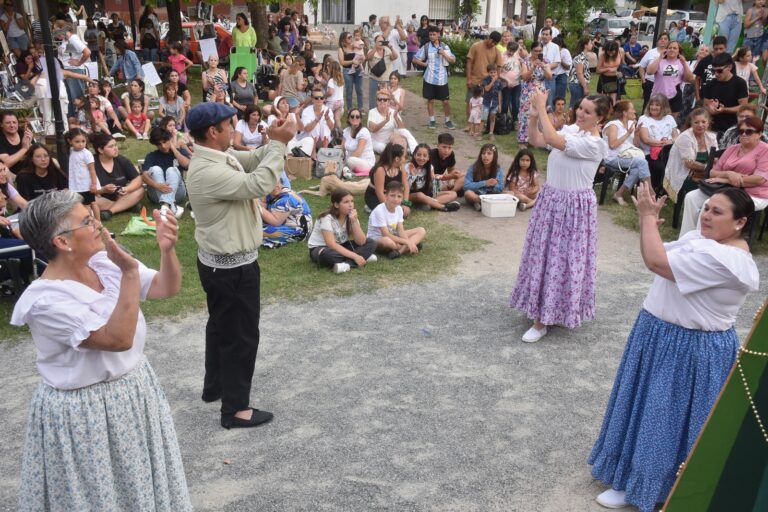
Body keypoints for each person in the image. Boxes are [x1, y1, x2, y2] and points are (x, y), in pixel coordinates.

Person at [11, 189, 191, 512]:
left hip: (134, 392)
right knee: (99, 497)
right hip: (85, 414)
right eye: (86, 221)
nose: (96, 223)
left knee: (141, 489)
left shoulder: (103, 263)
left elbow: (168, 286)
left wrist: (167, 250)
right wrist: (130, 273)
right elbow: (117, 338)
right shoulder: (45, 302)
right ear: (62, 242)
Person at [589, 184, 759, 511]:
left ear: (740, 222)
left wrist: (647, 218)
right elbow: (660, 253)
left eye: (717, 212)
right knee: (643, 406)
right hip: (660, 334)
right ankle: (628, 474)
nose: (706, 214)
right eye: (707, 207)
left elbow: (655, 261)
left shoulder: (727, 261)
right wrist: (650, 223)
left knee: (663, 418)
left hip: (689, 346)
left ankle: (649, 489)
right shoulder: (703, 240)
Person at [186, 102, 297, 429]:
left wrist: (276, 141)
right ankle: (235, 410)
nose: (235, 128)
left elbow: (253, 160)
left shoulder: (219, 156)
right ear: (212, 131)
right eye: (229, 124)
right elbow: (257, 185)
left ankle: (217, 387)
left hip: (224, 266)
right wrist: (277, 144)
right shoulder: (208, 170)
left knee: (221, 328)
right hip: (231, 270)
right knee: (240, 336)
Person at [510, 91, 610, 343]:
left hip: (574, 208)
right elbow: (537, 140)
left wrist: (542, 107)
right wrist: (534, 117)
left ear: (600, 118)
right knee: (542, 255)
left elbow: (553, 139)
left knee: (561, 259)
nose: (581, 113)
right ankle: (540, 309)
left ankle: (544, 319)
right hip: (552, 199)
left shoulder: (596, 144)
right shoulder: (573, 130)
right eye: (581, 108)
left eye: (588, 111)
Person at [680, 116, 768, 235]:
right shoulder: (732, 149)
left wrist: (726, 180)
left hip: (753, 193)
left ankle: (701, 244)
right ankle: (686, 238)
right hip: (725, 189)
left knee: (710, 204)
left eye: (749, 131)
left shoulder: (765, 150)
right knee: (691, 197)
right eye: (741, 131)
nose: (744, 134)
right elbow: (712, 172)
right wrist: (729, 174)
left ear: (759, 134)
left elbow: (759, 179)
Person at [308, 188, 377, 273]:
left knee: (371, 242)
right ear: (336, 204)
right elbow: (331, 244)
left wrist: (354, 221)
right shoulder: (326, 218)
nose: (351, 205)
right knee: (328, 255)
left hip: (341, 244)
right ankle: (363, 257)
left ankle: (346, 265)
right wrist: (355, 256)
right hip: (322, 248)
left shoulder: (351, 216)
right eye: (346, 202)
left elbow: (361, 242)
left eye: (352, 201)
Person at [663, 107, 718, 204]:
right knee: (709, 187)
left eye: (703, 122)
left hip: (703, 173)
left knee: (719, 184)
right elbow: (689, 164)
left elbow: (716, 159)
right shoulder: (686, 137)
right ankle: (699, 208)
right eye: (696, 122)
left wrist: (710, 169)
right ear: (691, 124)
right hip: (685, 174)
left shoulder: (711, 137)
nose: (700, 125)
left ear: (708, 122)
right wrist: (709, 169)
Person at [603, 100, 651, 206]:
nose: (635, 111)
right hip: (613, 157)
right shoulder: (613, 125)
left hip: (627, 156)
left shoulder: (631, 124)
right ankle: (650, 194)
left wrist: (636, 133)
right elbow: (612, 145)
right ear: (624, 112)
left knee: (638, 169)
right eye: (632, 109)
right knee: (642, 163)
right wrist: (628, 133)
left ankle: (619, 194)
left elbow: (636, 146)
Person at [366, 180, 426, 259]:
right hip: (378, 239)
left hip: (393, 235)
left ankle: (399, 252)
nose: (396, 199)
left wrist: (407, 241)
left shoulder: (399, 209)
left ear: (402, 198)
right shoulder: (379, 210)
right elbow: (386, 234)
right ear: (386, 196)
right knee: (388, 242)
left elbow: (400, 231)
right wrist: (408, 242)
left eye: (399, 196)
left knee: (421, 230)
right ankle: (410, 245)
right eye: (392, 195)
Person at [411, 25, 456, 130]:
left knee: (445, 102)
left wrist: (444, 54)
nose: (431, 36)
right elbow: (415, 59)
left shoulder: (445, 46)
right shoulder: (426, 47)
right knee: (430, 100)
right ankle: (432, 120)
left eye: (434, 34)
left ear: (438, 35)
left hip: (442, 79)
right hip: (429, 78)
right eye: (430, 34)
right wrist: (425, 65)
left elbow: (453, 60)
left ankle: (447, 120)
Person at [91, 133, 144, 220]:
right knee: (91, 200)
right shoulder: (92, 163)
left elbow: (137, 179)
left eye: (115, 145)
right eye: (111, 147)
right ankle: (127, 206)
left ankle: (110, 211)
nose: (115, 148)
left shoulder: (122, 160)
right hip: (102, 198)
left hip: (121, 196)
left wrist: (127, 189)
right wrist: (103, 190)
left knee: (140, 190)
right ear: (100, 150)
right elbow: (87, 188)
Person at [141, 127, 189, 217]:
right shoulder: (152, 156)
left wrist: (174, 150)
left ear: (170, 139)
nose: (163, 146)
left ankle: (165, 206)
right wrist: (156, 185)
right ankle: (170, 207)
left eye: (164, 142)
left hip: (177, 193)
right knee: (155, 169)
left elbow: (187, 165)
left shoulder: (179, 152)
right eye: (159, 144)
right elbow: (144, 176)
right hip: (156, 193)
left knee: (172, 170)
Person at [637, 94, 679, 193]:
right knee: (660, 167)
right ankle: (654, 191)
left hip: (668, 152)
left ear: (664, 107)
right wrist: (663, 143)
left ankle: (665, 192)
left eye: (657, 105)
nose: (653, 107)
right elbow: (645, 139)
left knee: (676, 166)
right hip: (649, 153)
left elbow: (676, 136)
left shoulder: (669, 118)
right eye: (652, 104)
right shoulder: (644, 119)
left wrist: (670, 142)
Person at [701, 52, 748, 139]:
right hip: (713, 129)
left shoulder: (740, 83)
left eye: (719, 70)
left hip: (733, 130)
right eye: (713, 71)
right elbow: (705, 105)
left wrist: (724, 110)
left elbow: (744, 107)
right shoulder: (710, 84)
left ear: (729, 67)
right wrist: (710, 109)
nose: (716, 74)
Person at [646, 41, 695, 118]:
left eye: (675, 48)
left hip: (674, 97)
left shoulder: (682, 63)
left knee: (670, 121)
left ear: (679, 51)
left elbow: (690, 79)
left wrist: (684, 63)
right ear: (666, 50)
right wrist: (660, 57)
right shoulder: (660, 61)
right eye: (670, 48)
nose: (672, 50)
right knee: (655, 118)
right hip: (658, 96)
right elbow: (649, 71)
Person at [405, 143, 460, 212]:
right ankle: (443, 207)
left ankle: (429, 204)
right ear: (414, 155)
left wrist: (443, 179)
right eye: (419, 155)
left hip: (425, 193)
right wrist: (413, 176)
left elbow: (435, 187)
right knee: (420, 195)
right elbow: (405, 187)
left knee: (453, 194)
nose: (421, 158)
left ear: (428, 158)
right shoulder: (408, 167)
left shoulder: (430, 167)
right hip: (410, 195)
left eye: (425, 156)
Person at [465, 32, 503, 125]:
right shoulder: (476, 46)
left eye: (495, 43)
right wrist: (469, 78)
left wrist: (496, 79)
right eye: (492, 42)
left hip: (487, 82)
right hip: (475, 80)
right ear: (489, 38)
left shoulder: (496, 51)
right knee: (471, 102)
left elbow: (498, 67)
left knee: (484, 105)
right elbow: (469, 62)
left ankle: (481, 125)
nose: (493, 45)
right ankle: (469, 124)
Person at [517, 42, 552, 145]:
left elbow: (549, 77)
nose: (537, 53)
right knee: (525, 115)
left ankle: (534, 139)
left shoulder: (545, 61)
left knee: (539, 115)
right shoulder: (525, 61)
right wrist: (532, 67)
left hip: (540, 92)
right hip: (528, 92)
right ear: (531, 51)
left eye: (540, 51)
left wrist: (543, 67)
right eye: (535, 51)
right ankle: (523, 140)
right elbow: (524, 77)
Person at [259, 183, 313, 248]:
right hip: (284, 222)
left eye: (278, 182)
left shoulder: (286, 199)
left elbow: (275, 222)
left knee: (257, 231)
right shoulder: (268, 193)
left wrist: (258, 206)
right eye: (271, 183)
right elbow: (264, 204)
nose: (276, 186)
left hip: (299, 230)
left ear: (281, 184)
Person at [365, 142, 410, 216]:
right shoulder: (381, 170)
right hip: (376, 196)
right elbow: (379, 192)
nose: (405, 159)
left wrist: (405, 203)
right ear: (397, 159)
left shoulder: (401, 167)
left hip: (392, 195)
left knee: (405, 213)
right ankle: (370, 207)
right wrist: (390, 208)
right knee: (386, 214)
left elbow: (406, 185)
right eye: (404, 157)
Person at [367, 89, 418, 154]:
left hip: (390, 139)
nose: (382, 101)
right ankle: (402, 151)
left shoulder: (393, 111)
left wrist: (396, 118)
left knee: (404, 131)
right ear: (377, 101)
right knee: (382, 148)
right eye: (379, 99)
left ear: (389, 102)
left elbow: (402, 128)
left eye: (385, 100)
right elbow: (373, 129)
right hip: (377, 141)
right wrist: (385, 121)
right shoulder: (372, 112)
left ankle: (416, 151)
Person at [462, 143, 504, 211]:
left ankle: (480, 204)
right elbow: (466, 186)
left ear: (494, 156)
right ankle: (481, 202)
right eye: (483, 153)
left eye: (489, 153)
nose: (485, 156)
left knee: (510, 193)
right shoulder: (474, 167)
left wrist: (495, 185)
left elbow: (501, 187)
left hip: (491, 195)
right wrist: (485, 183)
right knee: (468, 193)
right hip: (477, 194)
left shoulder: (498, 169)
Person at [638, 32, 670, 112]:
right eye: (661, 39)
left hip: (664, 84)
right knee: (648, 104)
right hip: (650, 82)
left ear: (669, 41)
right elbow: (641, 67)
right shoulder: (651, 52)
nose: (663, 41)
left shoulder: (670, 53)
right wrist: (643, 81)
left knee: (662, 105)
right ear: (657, 41)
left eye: (665, 39)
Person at [693, 35, 728, 103]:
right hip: (705, 97)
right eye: (716, 49)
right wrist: (698, 97)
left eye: (721, 49)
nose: (718, 51)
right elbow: (697, 79)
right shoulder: (704, 60)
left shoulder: (729, 61)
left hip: (722, 98)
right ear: (713, 47)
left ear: (726, 47)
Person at [366, 34, 397, 110]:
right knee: (373, 99)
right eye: (379, 41)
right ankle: (372, 115)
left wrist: (391, 47)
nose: (381, 43)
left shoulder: (387, 50)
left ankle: (384, 114)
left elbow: (395, 57)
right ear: (375, 42)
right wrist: (375, 48)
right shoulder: (371, 51)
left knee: (385, 98)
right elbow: (368, 57)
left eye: (382, 41)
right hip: (374, 79)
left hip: (386, 79)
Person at [342, 108, 375, 176]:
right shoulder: (346, 131)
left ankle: (346, 170)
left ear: (360, 119)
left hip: (365, 162)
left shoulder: (363, 131)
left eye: (357, 117)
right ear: (348, 119)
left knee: (350, 160)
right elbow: (342, 148)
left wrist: (345, 161)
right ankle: (346, 170)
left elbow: (358, 152)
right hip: (351, 160)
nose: (355, 118)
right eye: (352, 116)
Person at [337, 32, 365, 112]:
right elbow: (342, 62)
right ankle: (350, 109)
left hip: (358, 69)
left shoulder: (355, 46)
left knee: (359, 89)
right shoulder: (341, 49)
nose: (351, 38)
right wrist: (352, 61)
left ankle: (361, 108)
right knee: (349, 90)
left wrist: (362, 59)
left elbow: (362, 51)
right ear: (343, 40)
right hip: (347, 70)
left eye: (351, 37)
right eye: (349, 37)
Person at [500, 41, 522, 127]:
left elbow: (521, 65)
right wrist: (506, 80)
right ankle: (503, 120)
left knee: (516, 103)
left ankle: (514, 120)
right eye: (510, 50)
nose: (511, 53)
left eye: (513, 51)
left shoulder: (517, 55)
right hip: (506, 84)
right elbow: (499, 73)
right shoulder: (502, 56)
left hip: (517, 83)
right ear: (507, 48)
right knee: (505, 102)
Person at [569, 36, 593, 109]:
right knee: (575, 106)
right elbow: (579, 73)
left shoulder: (583, 57)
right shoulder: (580, 57)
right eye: (590, 43)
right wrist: (585, 87)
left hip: (580, 84)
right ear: (585, 45)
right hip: (577, 84)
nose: (592, 45)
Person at [480, 64, 504, 136]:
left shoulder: (499, 82)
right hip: (486, 102)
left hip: (495, 103)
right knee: (483, 118)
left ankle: (491, 133)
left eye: (494, 72)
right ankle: (480, 133)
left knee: (493, 116)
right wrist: (492, 82)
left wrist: (500, 105)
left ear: (497, 72)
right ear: (488, 73)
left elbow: (499, 93)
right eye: (491, 72)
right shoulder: (485, 80)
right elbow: (486, 89)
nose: (493, 74)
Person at [325, 61, 345, 127]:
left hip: (332, 102)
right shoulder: (341, 79)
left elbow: (331, 92)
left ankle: (330, 131)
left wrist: (324, 95)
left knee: (328, 118)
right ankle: (339, 133)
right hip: (340, 101)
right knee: (337, 119)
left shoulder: (331, 80)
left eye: (328, 67)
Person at [552, 36, 571, 102]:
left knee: (559, 98)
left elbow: (568, 67)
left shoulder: (565, 51)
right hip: (551, 76)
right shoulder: (551, 51)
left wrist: (559, 58)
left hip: (561, 76)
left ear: (560, 45)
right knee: (551, 97)